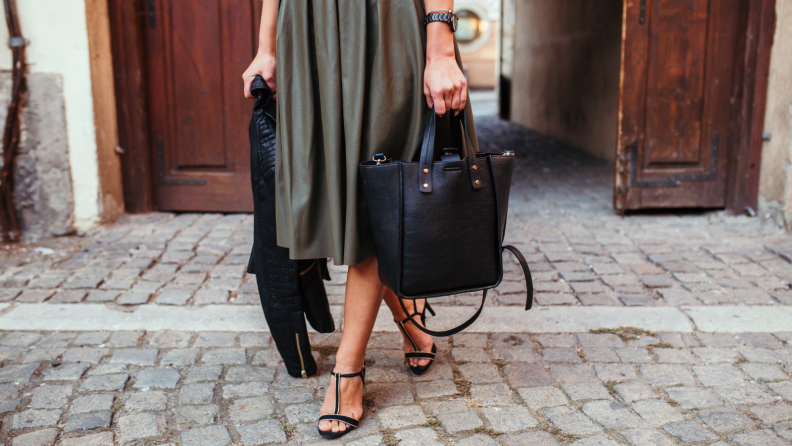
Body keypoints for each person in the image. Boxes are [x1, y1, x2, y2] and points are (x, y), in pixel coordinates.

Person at [242, 0, 475, 439]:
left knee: (384, 190)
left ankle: (348, 370)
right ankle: (410, 318)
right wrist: (266, 45)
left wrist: (440, 44)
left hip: (385, 23)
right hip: (310, 29)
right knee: (337, 194)